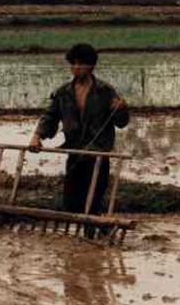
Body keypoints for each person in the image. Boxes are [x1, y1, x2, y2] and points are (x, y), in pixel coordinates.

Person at [29, 43, 129, 217]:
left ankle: (92, 235)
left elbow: (121, 123)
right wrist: (37, 136)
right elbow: (50, 117)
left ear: (91, 66)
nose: (76, 68)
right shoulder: (63, 92)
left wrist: (121, 109)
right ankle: (75, 240)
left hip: (98, 155)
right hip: (74, 151)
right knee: (71, 201)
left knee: (94, 201)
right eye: (73, 64)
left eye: (80, 64)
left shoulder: (105, 92)